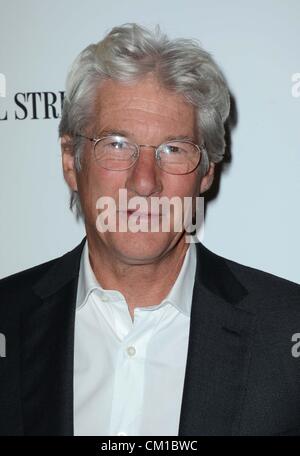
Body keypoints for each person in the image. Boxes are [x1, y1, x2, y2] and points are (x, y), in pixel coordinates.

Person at [0, 23, 300, 437]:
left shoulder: (287, 330)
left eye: (173, 149)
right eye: (117, 144)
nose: (144, 182)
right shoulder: (7, 317)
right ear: (72, 161)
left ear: (207, 172)